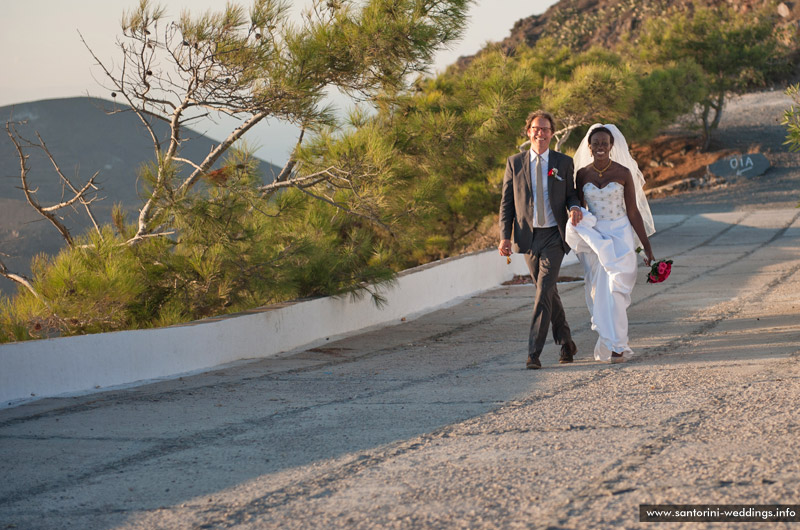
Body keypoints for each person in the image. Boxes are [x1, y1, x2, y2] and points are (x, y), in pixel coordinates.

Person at [499, 110, 583, 369]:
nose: (541, 133)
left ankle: (533, 353)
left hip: (554, 236)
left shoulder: (564, 162)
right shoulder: (515, 163)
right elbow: (507, 204)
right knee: (548, 292)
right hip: (527, 238)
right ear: (529, 131)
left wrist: (574, 208)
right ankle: (567, 342)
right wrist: (504, 237)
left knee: (544, 290)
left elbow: (572, 194)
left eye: (546, 129)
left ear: (552, 133)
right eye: (536, 128)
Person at [565, 124, 656, 362]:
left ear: (612, 145)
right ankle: (609, 340)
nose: (600, 147)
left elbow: (634, 212)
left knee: (617, 291)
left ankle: (619, 346)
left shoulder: (624, 172)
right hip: (596, 237)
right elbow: (580, 207)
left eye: (605, 143)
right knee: (600, 293)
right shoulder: (582, 174)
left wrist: (646, 247)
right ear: (589, 146)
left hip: (621, 235)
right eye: (596, 144)